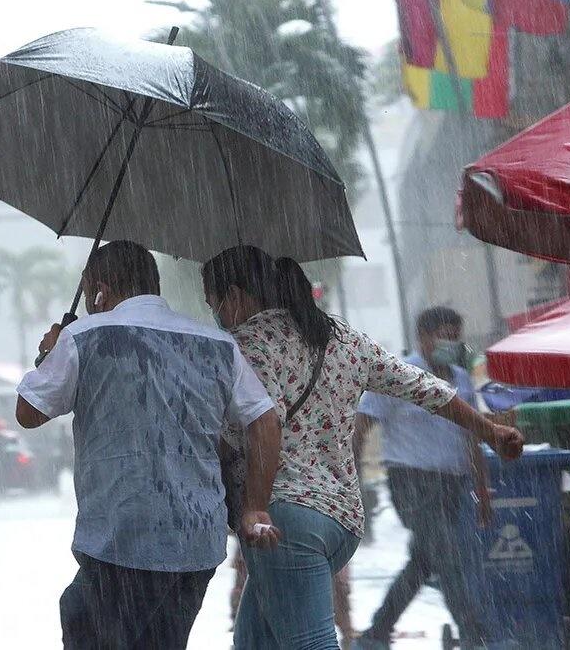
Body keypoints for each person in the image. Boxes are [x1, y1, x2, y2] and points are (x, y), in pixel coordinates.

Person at [201, 247, 523, 650]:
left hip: (282, 523)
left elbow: (254, 428)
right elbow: (424, 388)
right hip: (342, 521)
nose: (215, 313)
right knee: (253, 640)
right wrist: (489, 430)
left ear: (233, 296)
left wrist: (250, 503)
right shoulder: (345, 338)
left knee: (312, 643)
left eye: (212, 303)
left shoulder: (243, 344)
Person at [15, 240, 283, 649]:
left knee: (86, 627)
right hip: (196, 543)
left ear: (99, 290)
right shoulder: (216, 344)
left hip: (120, 537)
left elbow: (29, 413)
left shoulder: (84, 338)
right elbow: (264, 420)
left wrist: (51, 353)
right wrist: (256, 505)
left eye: (91, 294)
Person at [355, 307, 494, 649]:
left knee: (424, 561)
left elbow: (472, 437)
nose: (448, 344)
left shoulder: (461, 380)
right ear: (422, 338)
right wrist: (350, 477)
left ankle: (377, 631)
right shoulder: (400, 376)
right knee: (448, 555)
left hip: (452, 483)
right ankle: (474, 634)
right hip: (411, 481)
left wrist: (482, 490)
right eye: (442, 336)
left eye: (454, 337)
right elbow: (361, 427)